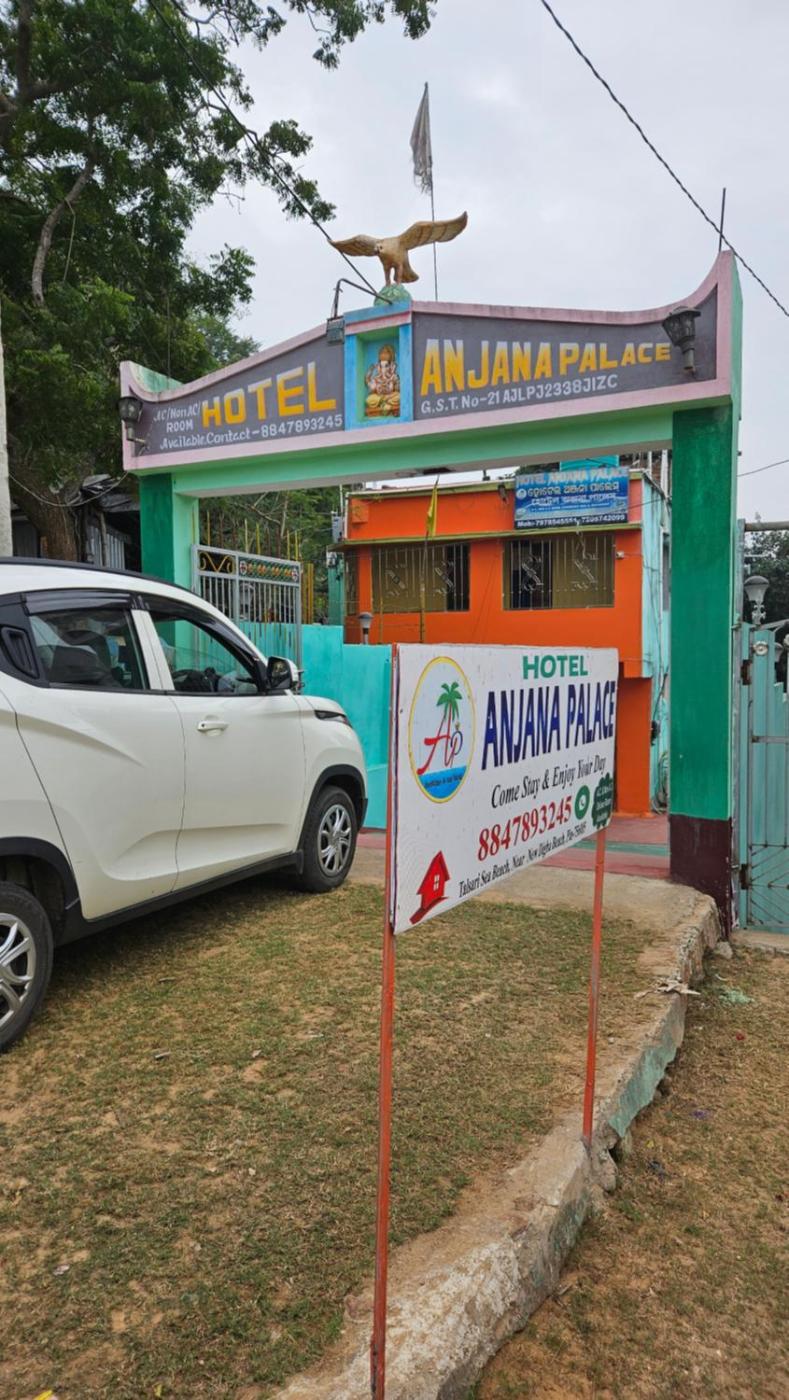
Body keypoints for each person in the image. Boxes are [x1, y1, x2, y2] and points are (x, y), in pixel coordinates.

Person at [365, 344, 400, 417]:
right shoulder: (376, 377)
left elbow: (397, 391)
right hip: (379, 398)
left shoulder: (394, 376)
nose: (383, 355)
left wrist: (388, 397)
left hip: (390, 397)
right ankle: (385, 404)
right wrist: (369, 374)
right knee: (369, 399)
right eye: (381, 366)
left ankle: (386, 405)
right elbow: (372, 390)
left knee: (399, 397)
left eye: (386, 353)